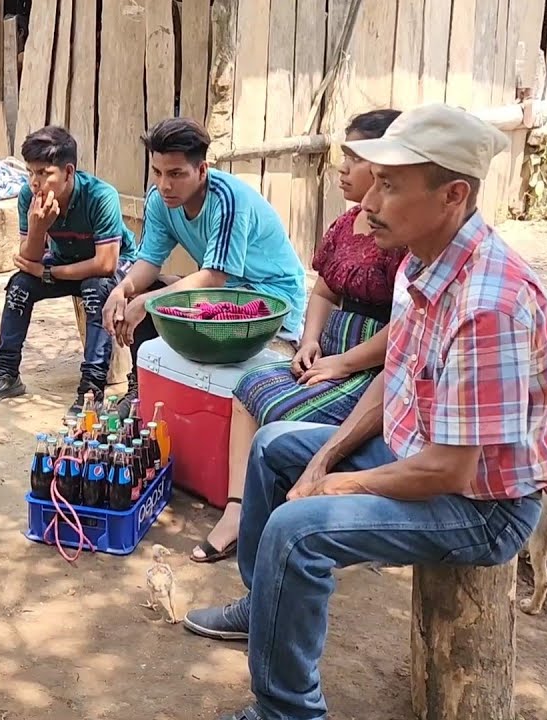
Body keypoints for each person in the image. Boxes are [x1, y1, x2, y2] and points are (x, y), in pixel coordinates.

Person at [181, 104, 547, 720]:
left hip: (481, 508)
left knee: (296, 529)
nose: (369, 202)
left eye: (389, 186)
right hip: (417, 456)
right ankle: (263, 604)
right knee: (275, 444)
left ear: (453, 195)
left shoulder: (488, 306)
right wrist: (326, 456)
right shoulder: (424, 261)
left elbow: (448, 472)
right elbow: (395, 375)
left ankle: (285, 711)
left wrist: (336, 482)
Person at [190, 109, 406, 563]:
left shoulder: (403, 235)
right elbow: (325, 290)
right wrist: (310, 341)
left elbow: (407, 327)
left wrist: (345, 363)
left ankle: (296, 517)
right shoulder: (346, 225)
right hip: (329, 352)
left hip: (373, 369)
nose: (342, 169)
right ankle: (236, 509)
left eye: (354, 158)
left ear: (388, 168)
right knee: (248, 387)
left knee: (283, 413)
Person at [102, 118, 308, 418]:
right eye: (157, 173)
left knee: (153, 300)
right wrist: (124, 289)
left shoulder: (228, 199)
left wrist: (148, 301)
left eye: (176, 174)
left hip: (267, 297)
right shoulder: (159, 199)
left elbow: (214, 275)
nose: (164, 185)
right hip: (221, 293)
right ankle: (140, 388)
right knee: (141, 288)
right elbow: (148, 261)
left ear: (202, 170)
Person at [0, 125, 136, 414]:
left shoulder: (100, 196)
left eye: (44, 173)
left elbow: (106, 264)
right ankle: (7, 373)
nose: (35, 182)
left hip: (114, 268)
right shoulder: (28, 196)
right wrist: (37, 228)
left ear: (68, 172)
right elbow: (28, 258)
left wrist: (47, 273)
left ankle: (91, 389)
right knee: (19, 286)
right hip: (65, 262)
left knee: (96, 289)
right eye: (31, 172)